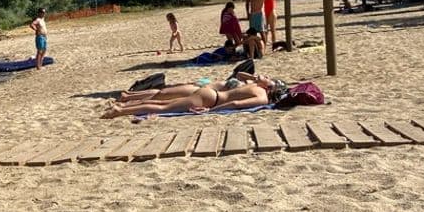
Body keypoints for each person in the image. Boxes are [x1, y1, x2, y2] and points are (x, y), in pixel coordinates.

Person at [103, 72, 287, 119]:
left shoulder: (257, 88)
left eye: (271, 81)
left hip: (209, 93)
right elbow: (236, 104)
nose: (269, 78)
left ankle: (124, 107)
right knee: (163, 107)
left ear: (272, 89)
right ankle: (119, 110)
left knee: (164, 101)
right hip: (211, 99)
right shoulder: (260, 93)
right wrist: (211, 111)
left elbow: (237, 101)